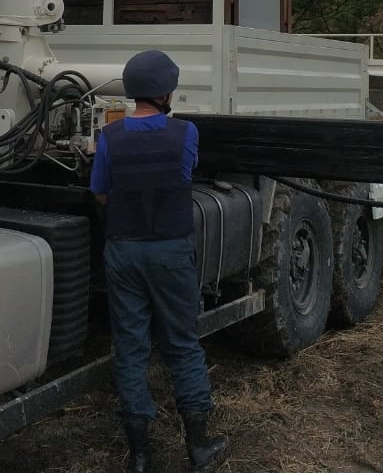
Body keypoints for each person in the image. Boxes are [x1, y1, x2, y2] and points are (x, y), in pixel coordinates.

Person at [90, 50, 230, 473]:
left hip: (123, 251)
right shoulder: (186, 133)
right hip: (170, 250)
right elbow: (184, 176)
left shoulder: (109, 137)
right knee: (182, 344)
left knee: (130, 348)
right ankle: (200, 447)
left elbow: (100, 191)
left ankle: (140, 456)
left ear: (132, 92)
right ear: (167, 92)